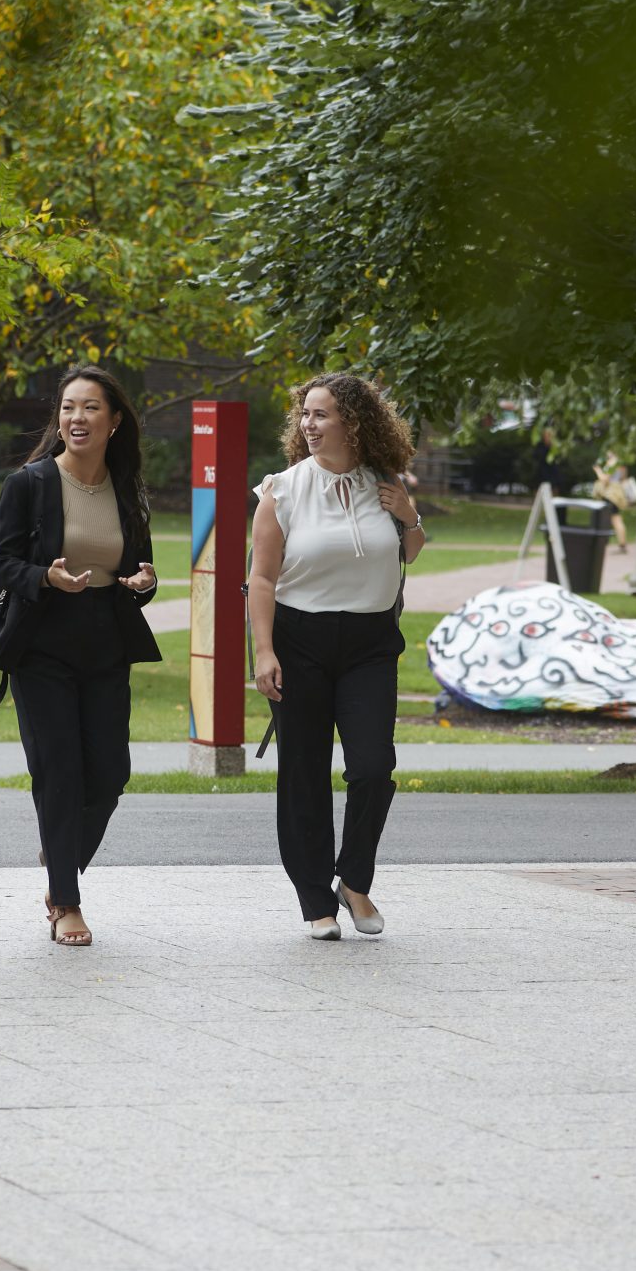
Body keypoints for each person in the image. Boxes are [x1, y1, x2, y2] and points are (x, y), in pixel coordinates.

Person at [0, 367, 161, 947]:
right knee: (59, 774)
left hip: (106, 640)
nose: (76, 418)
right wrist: (46, 577)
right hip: (42, 643)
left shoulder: (127, 488)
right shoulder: (30, 483)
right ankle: (65, 900)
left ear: (114, 422)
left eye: (89, 408)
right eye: (67, 408)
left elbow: (139, 567)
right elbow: (2, 564)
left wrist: (144, 581)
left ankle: (60, 855)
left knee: (110, 773)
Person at [249, 374, 426, 940]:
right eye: (306, 414)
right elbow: (260, 577)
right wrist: (264, 651)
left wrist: (409, 516)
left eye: (321, 414)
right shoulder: (282, 489)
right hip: (299, 640)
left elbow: (411, 551)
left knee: (373, 768)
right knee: (303, 773)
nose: (309, 424)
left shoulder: (386, 482)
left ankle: (353, 879)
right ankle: (314, 900)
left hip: (371, 644)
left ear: (353, 422)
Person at [590, 456, 633, 552]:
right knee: (615, 519)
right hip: (616, 495)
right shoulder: (620, 463)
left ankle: (621, 545)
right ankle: (619, 544)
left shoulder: (612, 463)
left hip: (610, 495)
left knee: (615, 519)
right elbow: (622, 477)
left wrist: (598, 470)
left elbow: (604, 479)